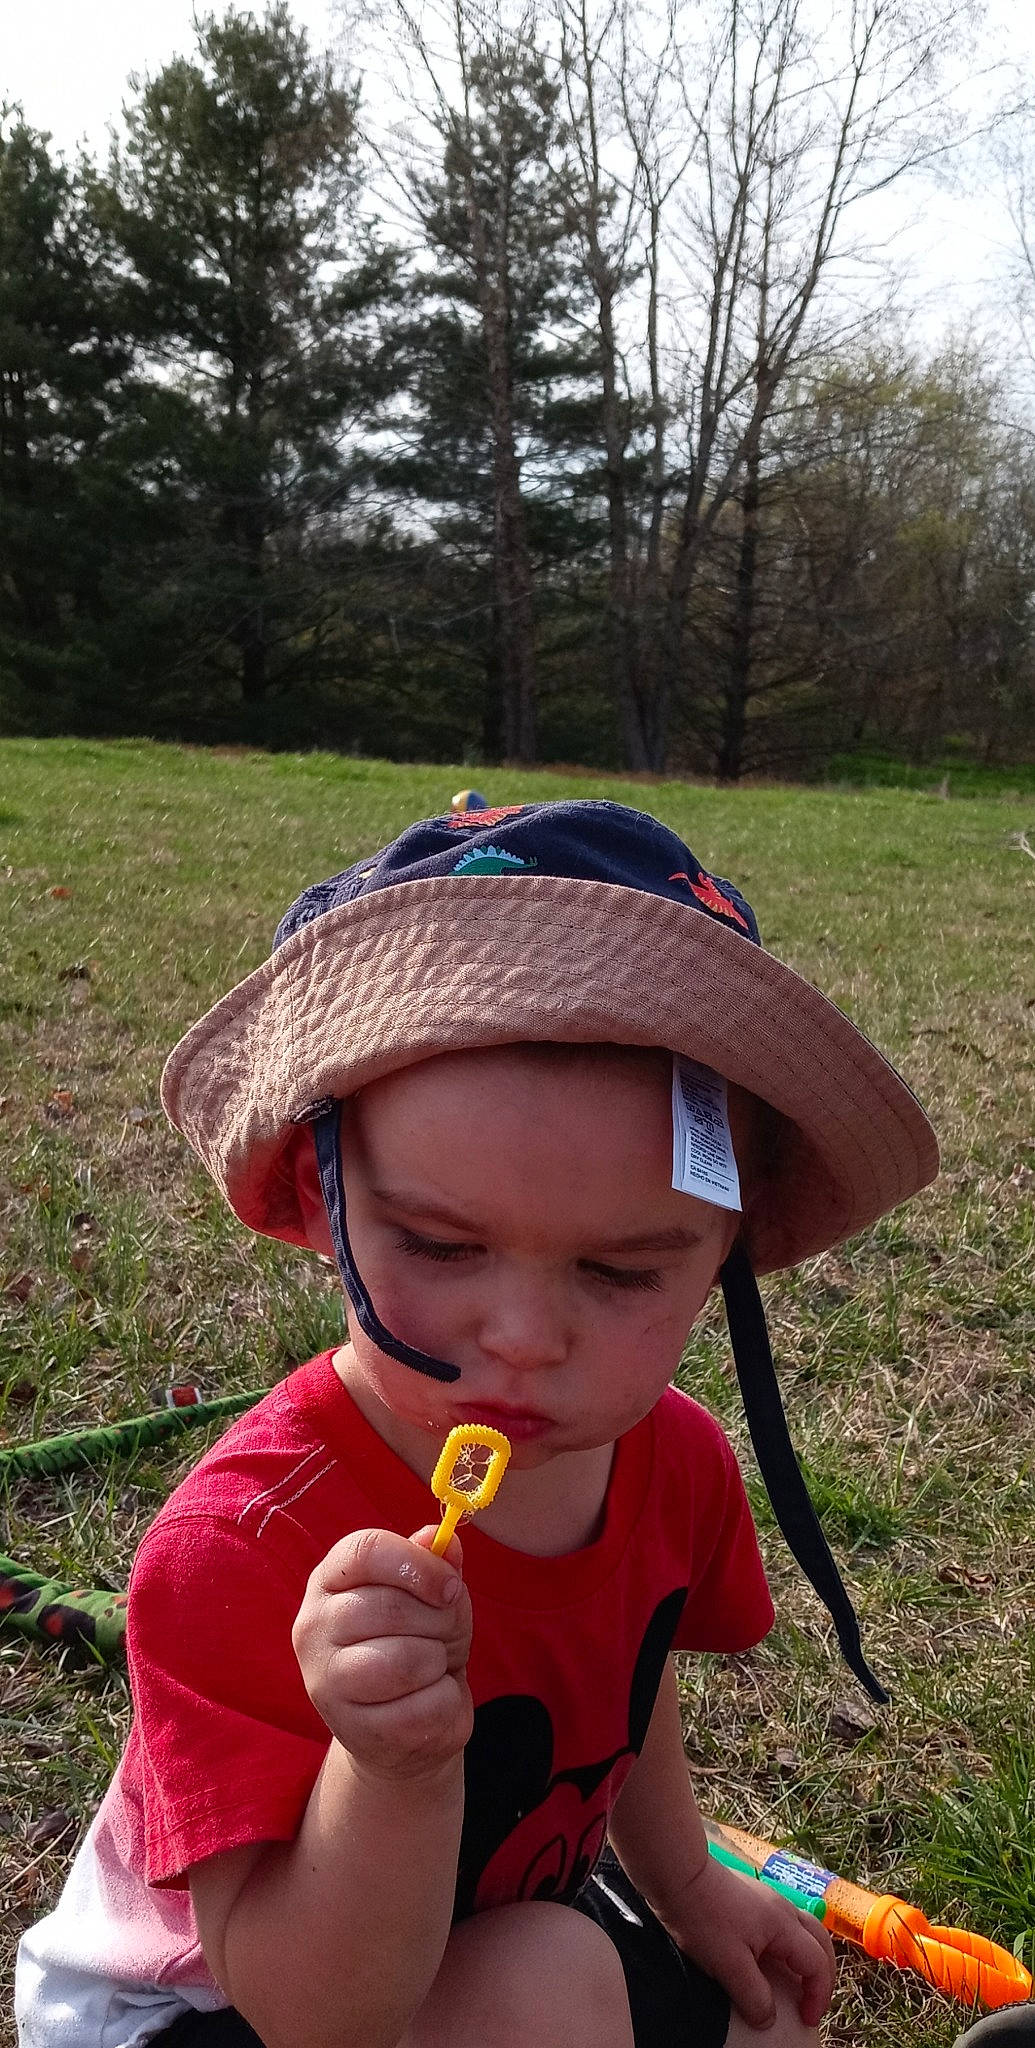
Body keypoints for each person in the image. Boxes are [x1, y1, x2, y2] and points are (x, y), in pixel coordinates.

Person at [16, 799, 941, 2048]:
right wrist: (390, 1769)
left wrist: (687, 1881)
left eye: (622, 1273)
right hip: (221, 1998)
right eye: (442, 1244)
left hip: (492, 1914)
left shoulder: (675, 1462)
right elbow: (315, 2012)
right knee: (548, 1979)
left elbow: (628, 1684)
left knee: (768, 2009)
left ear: (731, 1245)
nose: (524, 1336)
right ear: (318, 1194)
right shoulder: (237, 1546)